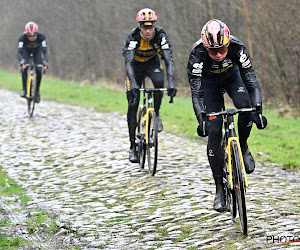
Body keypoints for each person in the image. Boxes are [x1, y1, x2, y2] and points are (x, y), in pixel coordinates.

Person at [187, 19, 267, 212]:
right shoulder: (196, 54)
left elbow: (251, 82)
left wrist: (258, 110)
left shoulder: (238, 47)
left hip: (233, 77)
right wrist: (201, 119)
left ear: (228, 43)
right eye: (212, 51)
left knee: (245, 108)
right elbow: (196, 93)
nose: (218, 54)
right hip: (209, 84)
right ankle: (219, 189)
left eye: (222, 49)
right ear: (205, 47)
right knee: (214, 131)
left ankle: (244, 146)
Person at [122, 8, 177, 163]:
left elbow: (168, 60)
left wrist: (171, 81)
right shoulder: (133, 37)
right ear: (140, 27)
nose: (148, 30)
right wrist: (132, 82)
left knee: (159, 82)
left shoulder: (160, 35)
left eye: (151, 26)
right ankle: (133, 146)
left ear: (154, 26)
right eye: (145, 27)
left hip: (152, 64)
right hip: (135, 68)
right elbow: (128, 62)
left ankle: (156, 114)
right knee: (133, 104)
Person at [17, 21, 48, 103]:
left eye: (34, 34)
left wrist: (45, 62)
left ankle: (37, 92)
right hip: (26, 52)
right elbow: (19, 52)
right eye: (29, 35)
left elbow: (45, 52)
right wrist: (22, 61)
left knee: (38, 69)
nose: (32, 37)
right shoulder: (22, 38)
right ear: (26, 33)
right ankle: (24, 89)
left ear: (36, 33)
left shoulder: (41, 37)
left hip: (37, 52)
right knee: (24, 68)